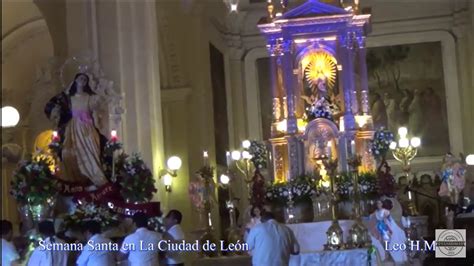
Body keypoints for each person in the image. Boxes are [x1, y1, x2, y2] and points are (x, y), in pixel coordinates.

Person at [44, 73, 108, 187]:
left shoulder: (89, 98)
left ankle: (94, 178)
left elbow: (96, 111)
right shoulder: (69, 98)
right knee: (69, 152)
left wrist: (96, 121)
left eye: (85, 79)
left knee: (92, 150)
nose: (82, 80)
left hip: (87, 128)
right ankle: (75, 180)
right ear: (75, 80)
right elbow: (56, 106)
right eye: (80, 78)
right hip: (73, 128)